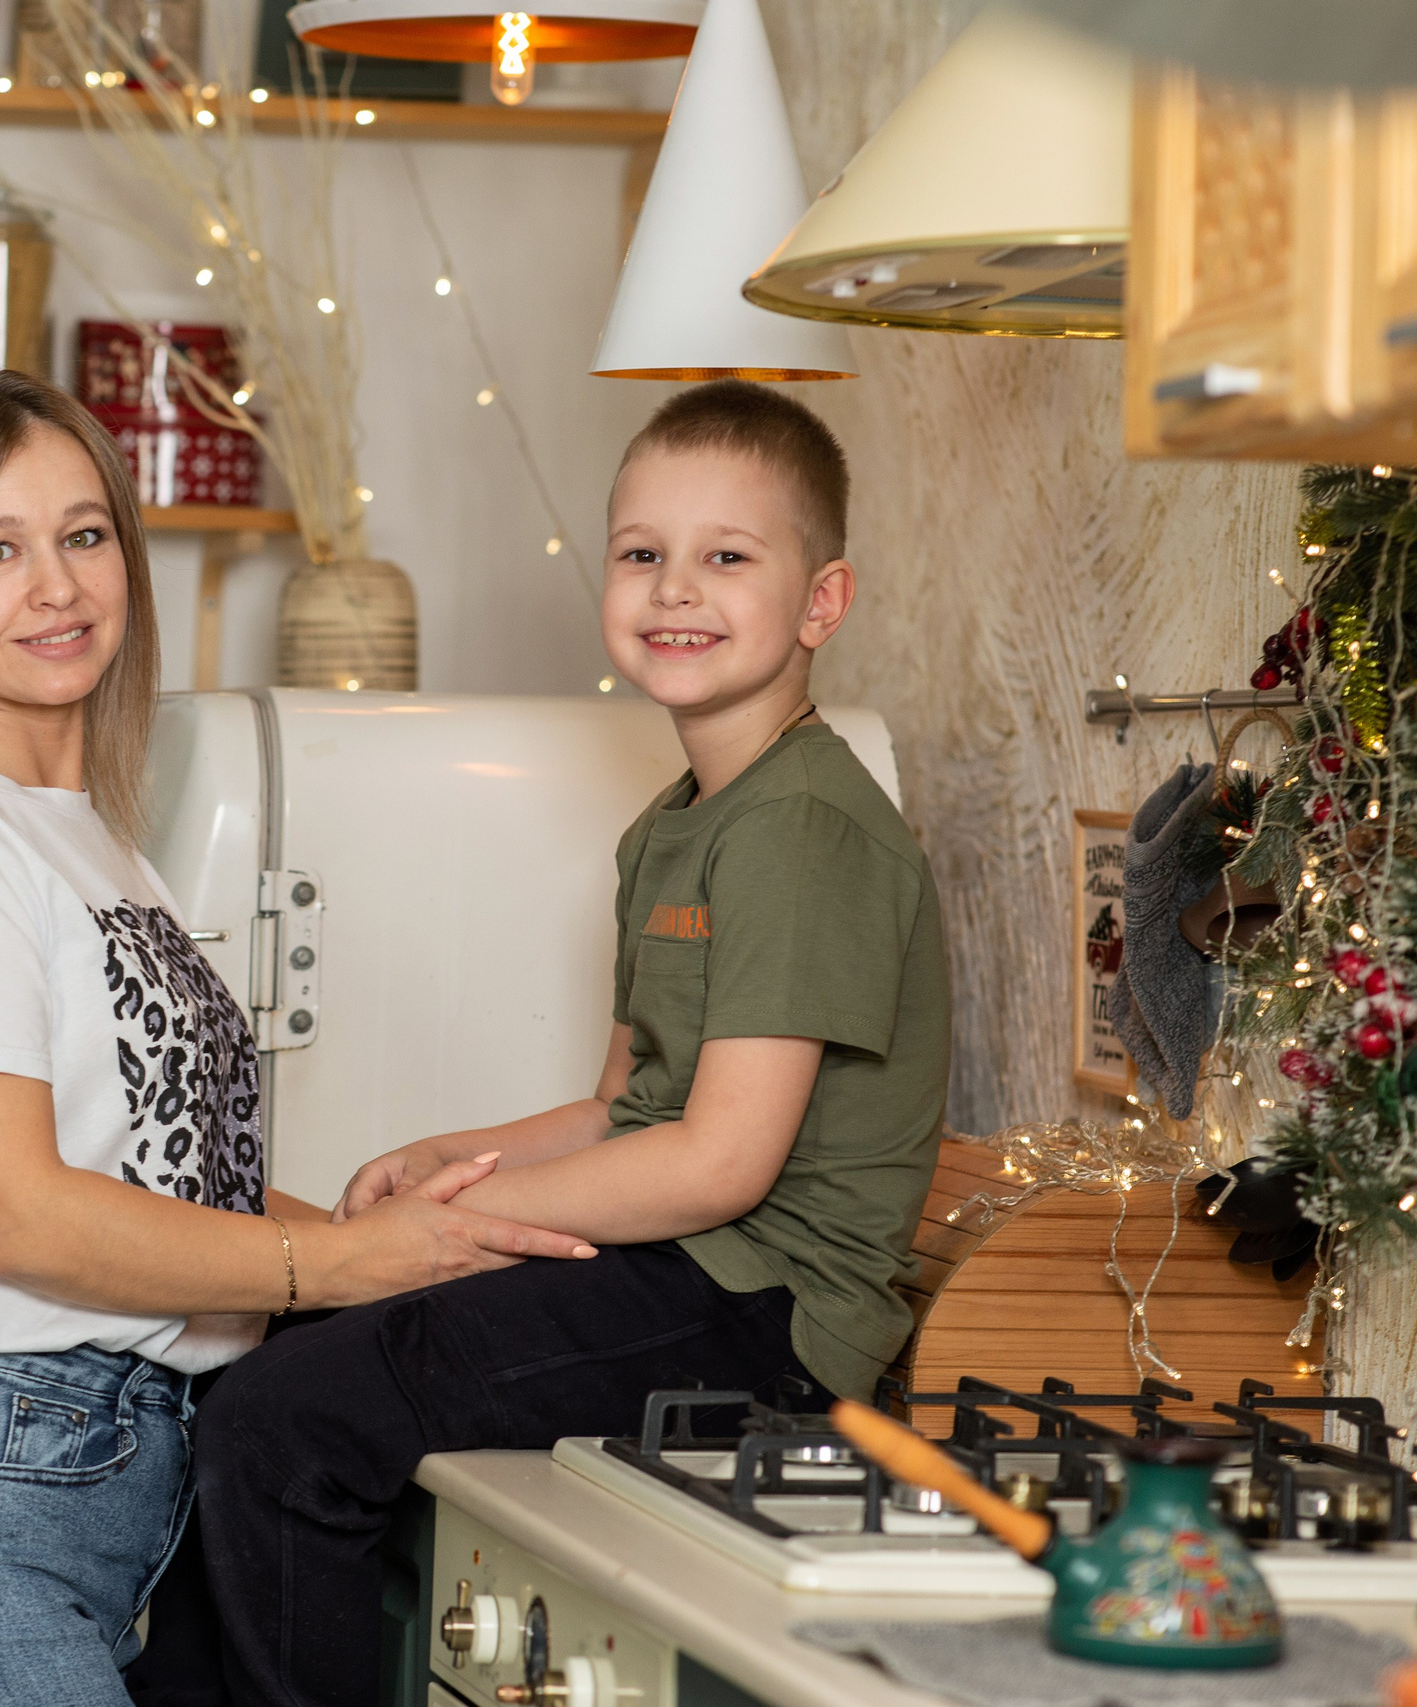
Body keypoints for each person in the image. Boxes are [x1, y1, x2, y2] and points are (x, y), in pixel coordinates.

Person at [0, 370, 594, 1707]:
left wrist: (382, 1242)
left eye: (85, 535)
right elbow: (20, 1218)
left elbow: (150, 1175)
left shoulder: (93, 849)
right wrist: (328, 1261)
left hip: (52, 1498)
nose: (58, 584)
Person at [133, 380, 952, 1707]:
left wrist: (462, 1224)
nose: (674, 588)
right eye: (643, 554)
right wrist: (453, 1158)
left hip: (763, 1321)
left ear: (823, 602)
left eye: (726, 557)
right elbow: (624, 1105)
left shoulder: (805, 829)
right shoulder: (677, 825)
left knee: (283, 1423)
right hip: (685, 1273)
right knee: (262, 1377)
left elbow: (720, 1164)